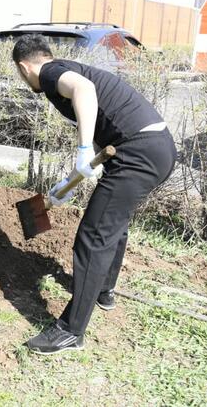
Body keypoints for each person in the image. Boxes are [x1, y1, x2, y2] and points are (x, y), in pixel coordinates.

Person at [11, 34, 176, 355]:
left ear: (23, 67)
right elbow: (102, 116)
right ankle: (103, 290)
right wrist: (71, 179)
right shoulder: (68, 67)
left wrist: (84, 149)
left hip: (139, 150)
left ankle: (71, 331)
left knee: (93, 235)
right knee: (113, 222)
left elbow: (85, 92)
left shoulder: (47, 74)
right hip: (159, 147)